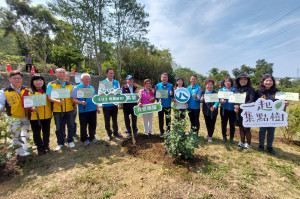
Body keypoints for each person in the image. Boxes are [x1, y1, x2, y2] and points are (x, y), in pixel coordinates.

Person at [0, 70, 31, 156]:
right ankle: (20, 151)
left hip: (26, 115)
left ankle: (26, 148)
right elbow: (1, 104)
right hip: (13, 117)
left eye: (19, 78)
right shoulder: (4, 91)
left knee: (26, 133)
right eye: (14, 78)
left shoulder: (27, 89)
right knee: (16, 135)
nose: (17, 80)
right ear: (9, 79)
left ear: (22, 79)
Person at [256, 74, 288, 154]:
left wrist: (286, 102)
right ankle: (261, 145)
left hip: (273, 115)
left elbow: (284, 101)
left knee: (271, 130)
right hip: (263, 115)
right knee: (262, 130)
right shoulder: (259, 92)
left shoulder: (277, 92)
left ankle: (269, 147)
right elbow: (254, 102)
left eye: (270, 81)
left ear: (273, 82)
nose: (268, 82)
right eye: (267, 80)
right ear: (263, 82)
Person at [46, 68, 75, 151]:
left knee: (71, 125)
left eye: (63, 72)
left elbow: (74, 96)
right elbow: (49, 97)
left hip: (69, 108)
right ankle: (60, 142)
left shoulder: (71, 84)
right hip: (57, 110)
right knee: (59, 127)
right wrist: (56, 101)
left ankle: (70, 140)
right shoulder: (51, 84)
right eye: (59, 73)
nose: (62, 74)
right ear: (56, 74)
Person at [22, 74, 52, 155]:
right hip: (35, 116)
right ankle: (39, 147)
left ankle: (46, 145)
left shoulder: (47, 91)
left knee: (46, 131)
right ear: (33, 82)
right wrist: (31, 108)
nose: (39, 82)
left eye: (40, 80)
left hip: (47, 115)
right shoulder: (28, 91)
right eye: (36, 80)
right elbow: (25, 103)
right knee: (36, 132)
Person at [71, 73, 100, 146]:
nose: (88, 80)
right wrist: (80, 102)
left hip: (93, 109)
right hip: (83, 110)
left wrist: (97, 107)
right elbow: (73, 99)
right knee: (83, 125)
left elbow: (94, 98)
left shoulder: (91, 88)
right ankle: (84, 139)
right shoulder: (77, 88)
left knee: (93, 124)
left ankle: (92, 136)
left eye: (89, 79)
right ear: (81, 80)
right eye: (86, 79)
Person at [234, 73, 255, 149]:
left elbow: (251, 101)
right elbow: (235, 101)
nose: (243, 81)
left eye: (245, 79)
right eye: (241, 79)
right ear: (238, 81)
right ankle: (242, 142)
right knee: (240, 127)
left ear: (247, 80)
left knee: (247, 128)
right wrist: (235, 106)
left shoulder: (251, 89)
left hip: (247, 111)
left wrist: (241, 105)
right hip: (239, 112)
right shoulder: (237, 90)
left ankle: (248, 143)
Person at [102, 68, 123, 141]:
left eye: (113, 73)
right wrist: (107, 94)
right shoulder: (103, 82)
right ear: (106, 74)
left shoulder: (116, 82)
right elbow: (100, 94)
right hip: (106, 105)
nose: (112, 75)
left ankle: (116, 132)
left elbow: (119, 92)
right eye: (110, 73)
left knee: (115, 119)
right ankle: (109, 133)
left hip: (114, 104)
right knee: (107, 120)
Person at [154, 73, 174, 137]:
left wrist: (171, 94)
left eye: (165, 77)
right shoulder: (158, 85)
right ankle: (161, 132)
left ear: (167, 78)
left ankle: (168, 132)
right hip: (160, 106)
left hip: (168, 105)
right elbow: (155, 95)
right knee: (161, 119)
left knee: (168, 119)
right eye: (163, 77)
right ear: (161, 78)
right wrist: (158, 99)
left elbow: (173, 96)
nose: (164, 79)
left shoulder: (170, 86)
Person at [201, 79, 219, 143]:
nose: (209, 86)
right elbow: (201, 100)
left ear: (213, 85)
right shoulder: (203, 92)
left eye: (211, 84)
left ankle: (210, 137)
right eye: (208, 84)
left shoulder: (214, 92)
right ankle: (209, 134)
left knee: (212, 123)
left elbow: (217, 101)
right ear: (206, 85)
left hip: (213, 111)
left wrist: (214, 106)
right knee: (207, 123)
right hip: (205, 110)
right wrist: (202, 99)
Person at [219, 77, 236, 143]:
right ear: (224, 83)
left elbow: (238, 98)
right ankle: (224, 137)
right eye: (226, 81)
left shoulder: (235, 90)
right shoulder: (221, 90)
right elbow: (219, 99)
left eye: (229, 81)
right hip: (224, 109)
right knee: (224, 123)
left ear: (231, 82)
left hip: (232, 110)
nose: (227, 83)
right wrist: (221, 100)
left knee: (232, 124)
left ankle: (231, 138)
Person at [65, 72, 79, 139]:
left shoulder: (73, 85)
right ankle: (63, 136)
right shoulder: (57, 86)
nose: (66, 77)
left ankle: (74, 133)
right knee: (62, 123)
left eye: (67, 76)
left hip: (72, 106)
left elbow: (75, 97)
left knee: (72, 121)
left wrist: (75, 107)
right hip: (61, 107)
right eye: (64, 76)